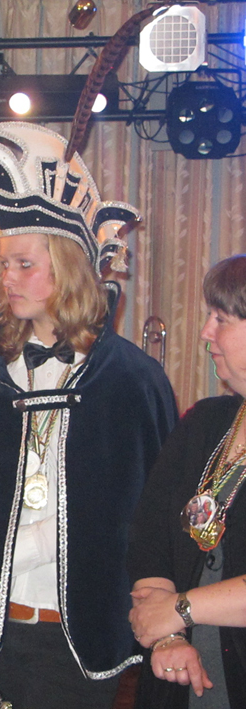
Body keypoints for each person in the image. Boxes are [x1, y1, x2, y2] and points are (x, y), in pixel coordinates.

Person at [0, 122, 178, 709]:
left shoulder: (129, 381)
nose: (8, 278)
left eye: (24, 264)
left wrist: (31, 542)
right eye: (5, 263)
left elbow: (142, 518)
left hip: (75, 641)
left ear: (68, 268)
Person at [128, 254, 246, 708]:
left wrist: (179, 610)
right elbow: (149, 538)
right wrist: (168, 637)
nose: (205, 332)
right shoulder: (203, 423)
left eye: (221, 319)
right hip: (179, 682)